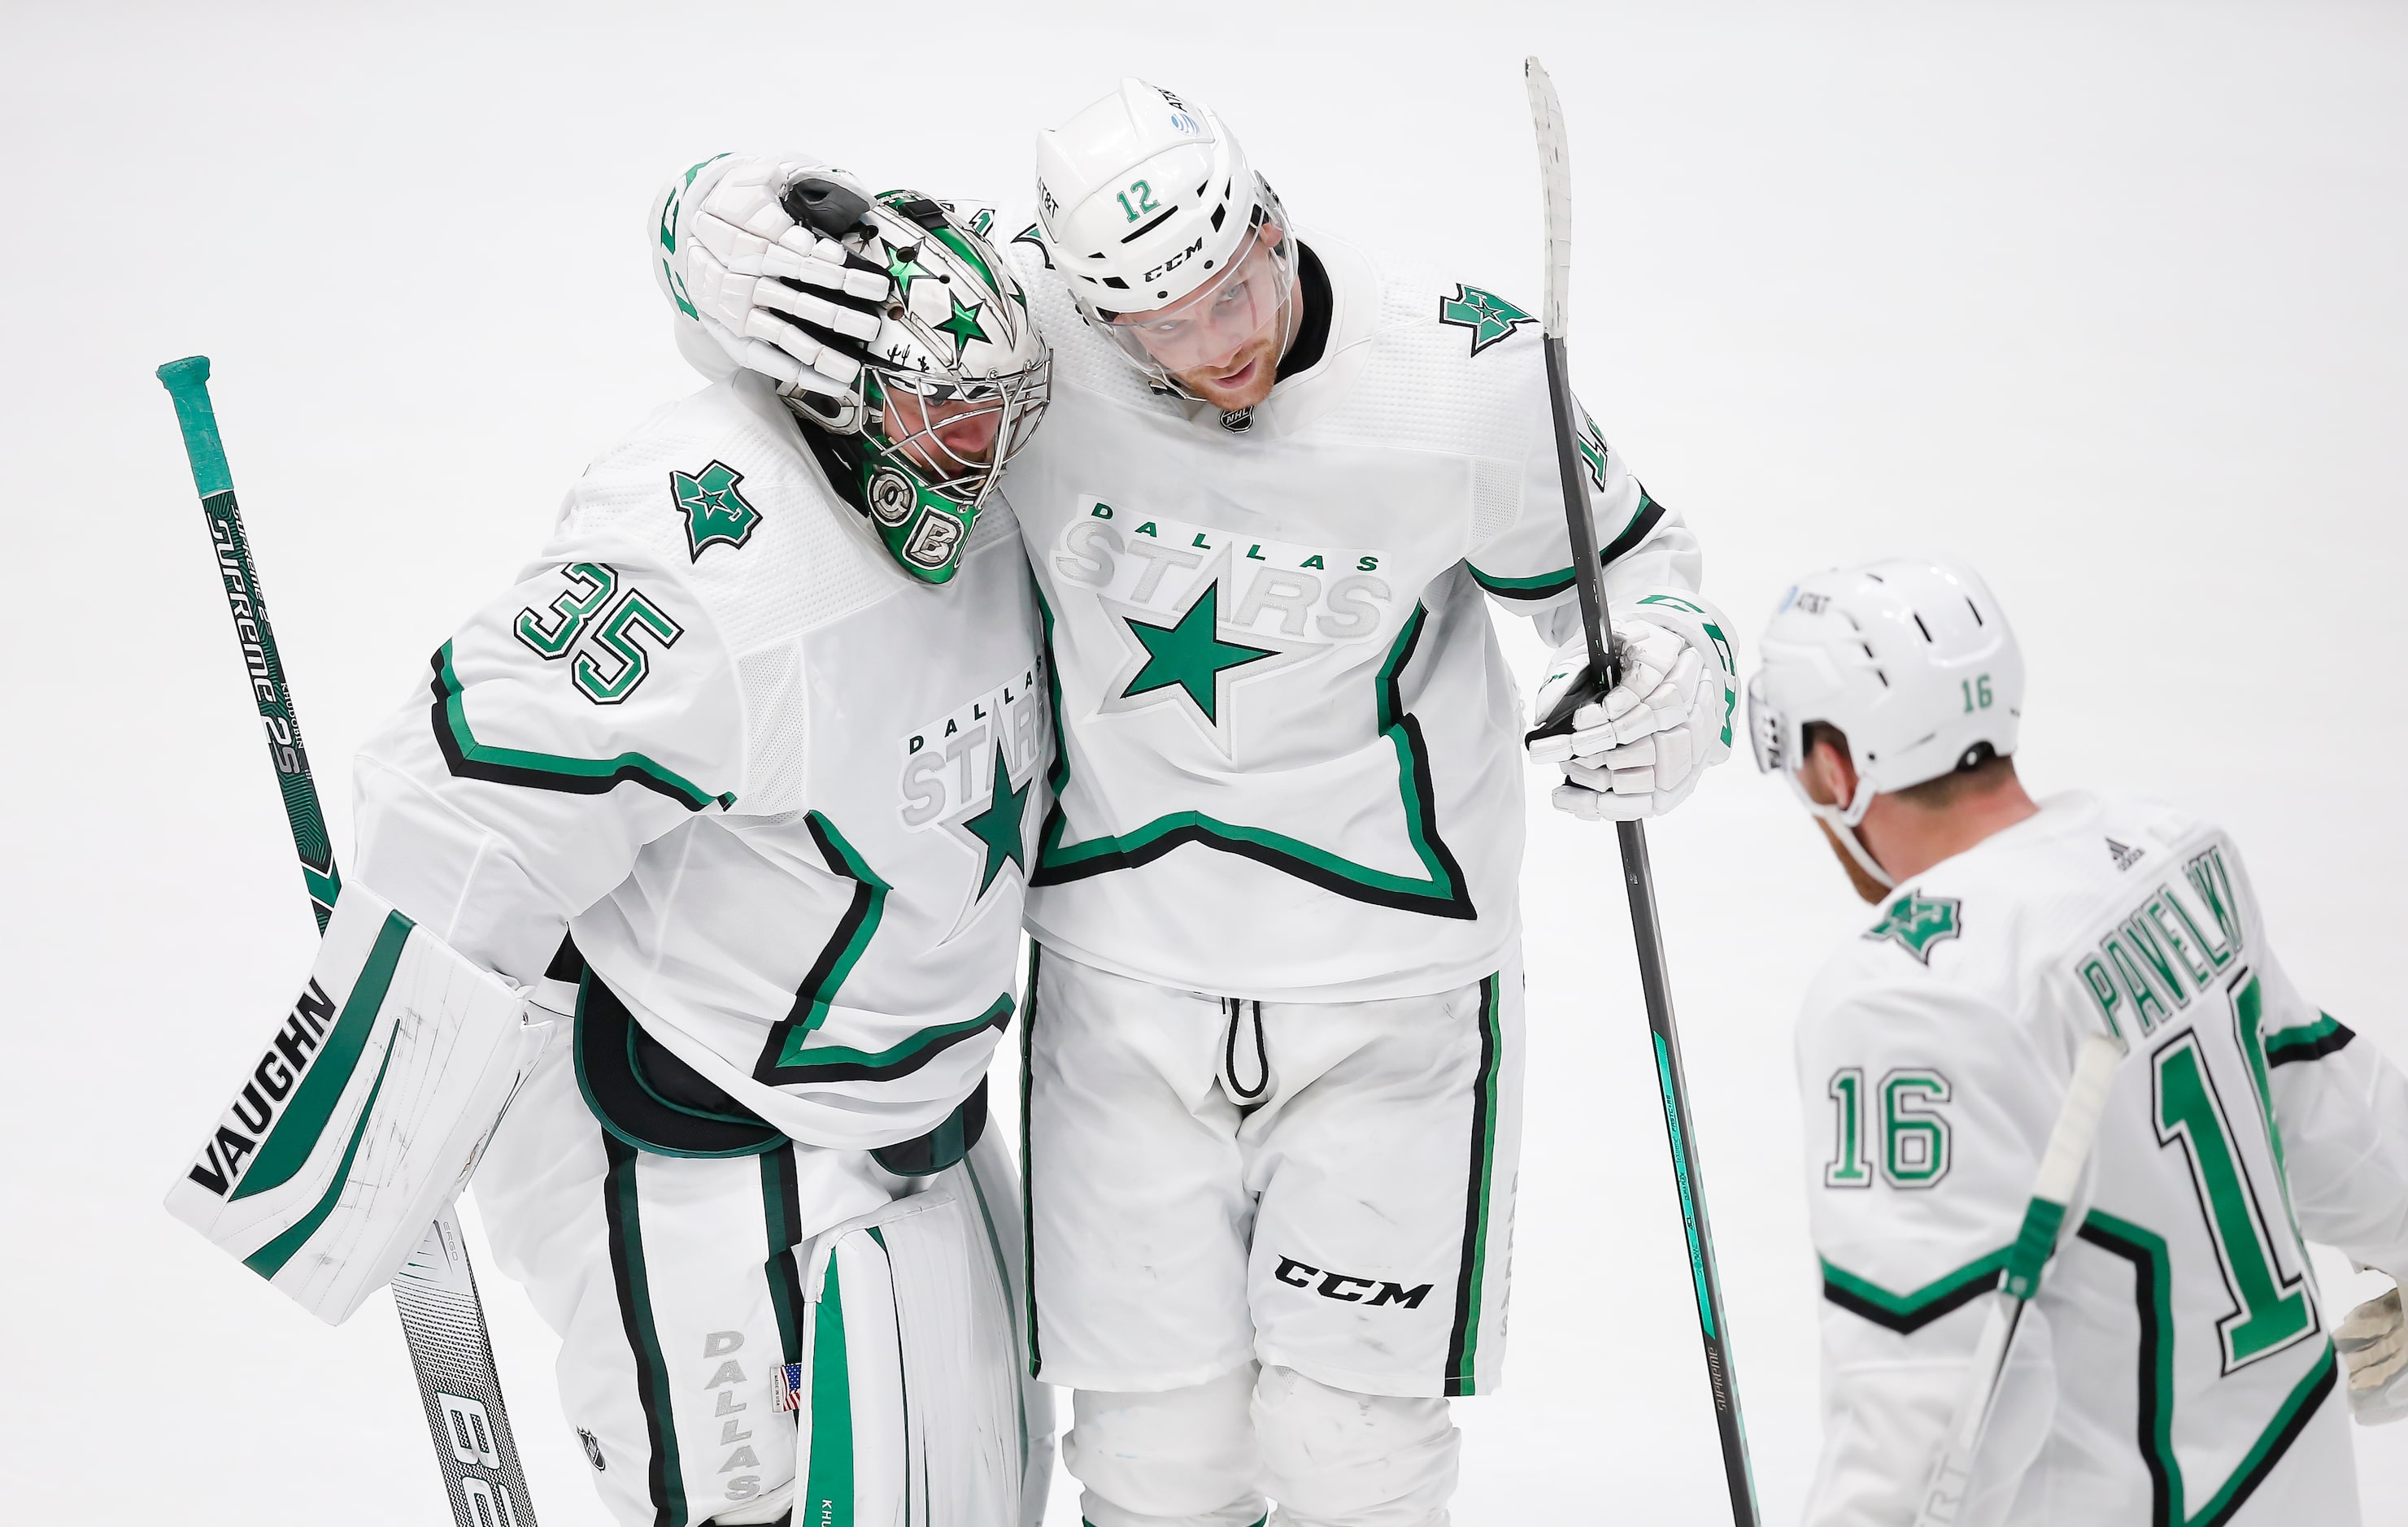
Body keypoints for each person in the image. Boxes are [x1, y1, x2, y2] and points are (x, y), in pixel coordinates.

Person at [673, 83, 1738, 1527]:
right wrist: (709, 224)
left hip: (1395, 985)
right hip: (1120, 980)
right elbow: (806, 272)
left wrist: (1677, 675)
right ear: (1091, 313)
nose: (1225, 335)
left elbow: (1644, 572)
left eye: (1242, 281)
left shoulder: (1462, 372)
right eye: (1168, 323)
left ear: (1274, 217)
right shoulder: (1022, 329)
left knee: (1348, 1449)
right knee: (1155, 1464)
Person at [179, 156, 1058, 1527]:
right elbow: (460, 799)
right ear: (832, 389)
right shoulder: (711, 551)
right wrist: (386, 1127)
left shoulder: (993, 503)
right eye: (951, 412)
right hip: (706, 1146)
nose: (992, 448)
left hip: (911, 1114)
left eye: (1005, 406)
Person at [1748, 555, 2408, 1525]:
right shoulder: (2168, 852)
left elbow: (1931, 1401)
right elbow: (2322, 1102)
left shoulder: (1909, 995)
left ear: (1839, 765)